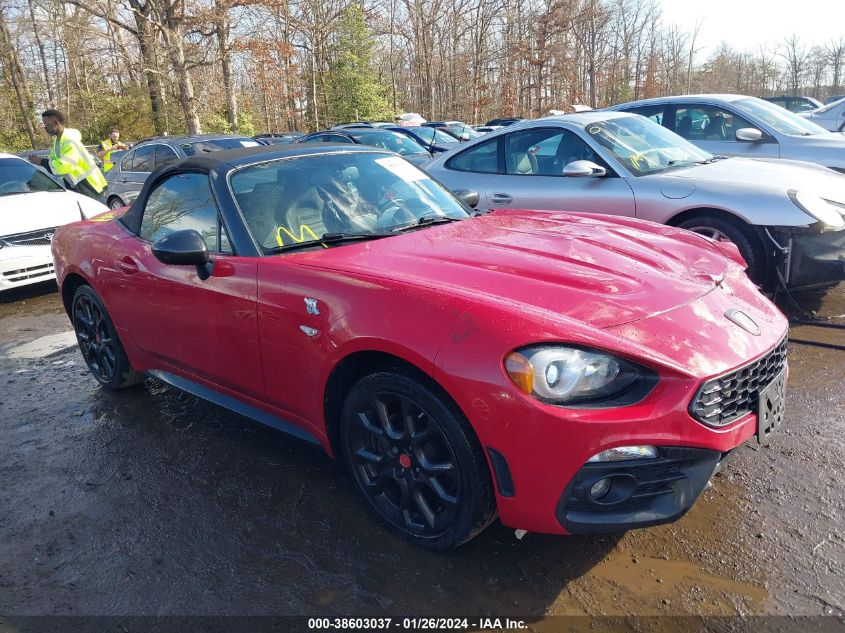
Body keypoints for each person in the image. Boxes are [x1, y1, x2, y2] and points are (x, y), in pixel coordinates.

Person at [33, 109, 107, 200]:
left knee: (98, 214)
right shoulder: (58, 141)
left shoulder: (69, 140)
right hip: (77, 186)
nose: (44, 128)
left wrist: (42, 162)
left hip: (89, 185)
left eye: (46, 124)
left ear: (55, 123)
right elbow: (52, 160)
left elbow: (65, 165)